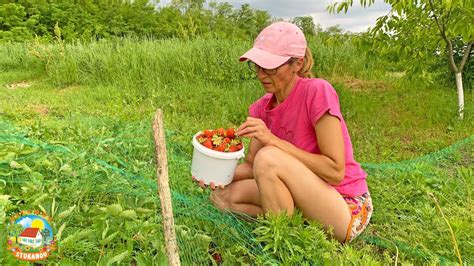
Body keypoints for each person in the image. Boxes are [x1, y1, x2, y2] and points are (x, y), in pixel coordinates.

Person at [196, 21, 373, 243]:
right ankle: (294, 221)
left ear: (297, 64)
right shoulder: (261, 107)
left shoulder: (317, 92)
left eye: (270, 67)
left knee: (269, 157)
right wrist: (213, 173)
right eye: (257, 66)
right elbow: (252, 166)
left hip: (343, 204)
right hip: (302, 192)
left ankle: (283, 237)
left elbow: (335, 171)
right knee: (221, 197)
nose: (261, 75)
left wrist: (272, 140)